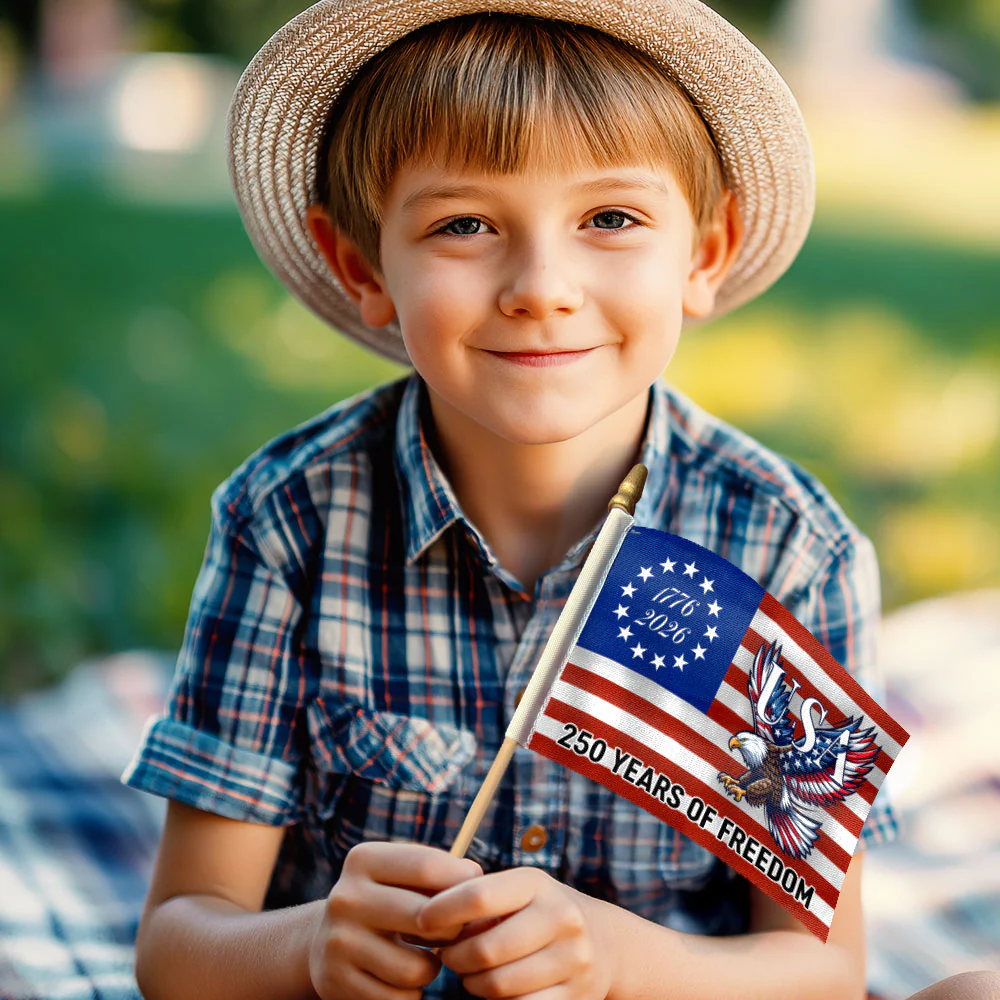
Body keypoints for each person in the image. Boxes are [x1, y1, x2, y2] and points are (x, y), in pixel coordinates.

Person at [121, 2, 907, 998]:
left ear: (704, 254)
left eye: (609, 219)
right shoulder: (288, 522)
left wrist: (617, 959)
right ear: (362, 266)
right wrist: (308, 947)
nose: (541, 286)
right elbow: (179, 947)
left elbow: (823, 969)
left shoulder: (788, 550)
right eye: (464, 225)